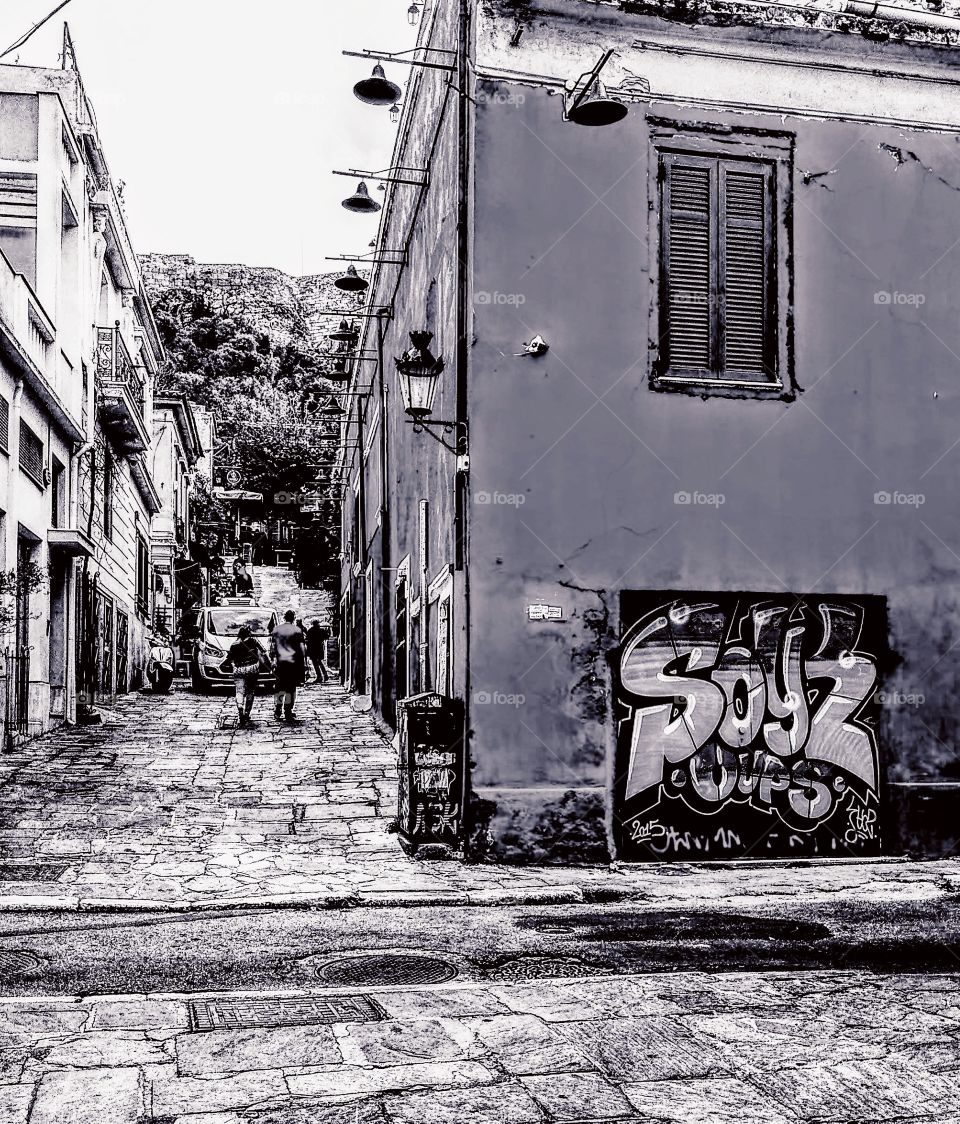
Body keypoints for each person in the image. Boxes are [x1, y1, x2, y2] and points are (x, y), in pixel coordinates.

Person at [271, 609, 308, 721]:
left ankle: (278, 709)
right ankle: (288, 711)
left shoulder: (277, 630)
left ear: (284, 617)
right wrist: (305, 663)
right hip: (293, 663)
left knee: (279, 687)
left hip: (280, 663)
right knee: (290, 687)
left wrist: (273, 660)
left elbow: (272, 646)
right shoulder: (297, 630)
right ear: (293, 618)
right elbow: (302, 648)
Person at [226, 626, 263, 728]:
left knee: (239, 691)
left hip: (239, 670)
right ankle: (247, 714)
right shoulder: (254, 641)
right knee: (251, 691)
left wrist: (234, 666)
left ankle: (240, 709)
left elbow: (230, 659)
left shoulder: (234, 645)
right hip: (252, 668)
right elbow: (263, 651)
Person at [305, 619, 330, 685]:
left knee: (315, 664)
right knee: (320, 662)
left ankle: (319, 677)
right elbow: (327, 637)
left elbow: (307, 639)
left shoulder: (310, 630)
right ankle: (325, 675)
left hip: (313, 649)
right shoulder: (321, 630)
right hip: (319, 648)